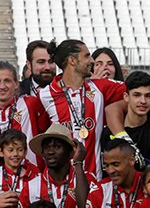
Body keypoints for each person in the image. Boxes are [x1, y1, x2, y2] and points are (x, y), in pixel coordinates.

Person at [37, 39, 126, 177]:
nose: (91, 60)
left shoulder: (100, 87)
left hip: (96, 182)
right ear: (72, 60)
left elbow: (137, 86)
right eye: (87, 56)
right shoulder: (44, 96)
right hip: (63, 184)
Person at [99, 70, 150, 164]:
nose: (143, 101)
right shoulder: (110, 132)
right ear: (126, 97)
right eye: (137, 95)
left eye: (147, 96)